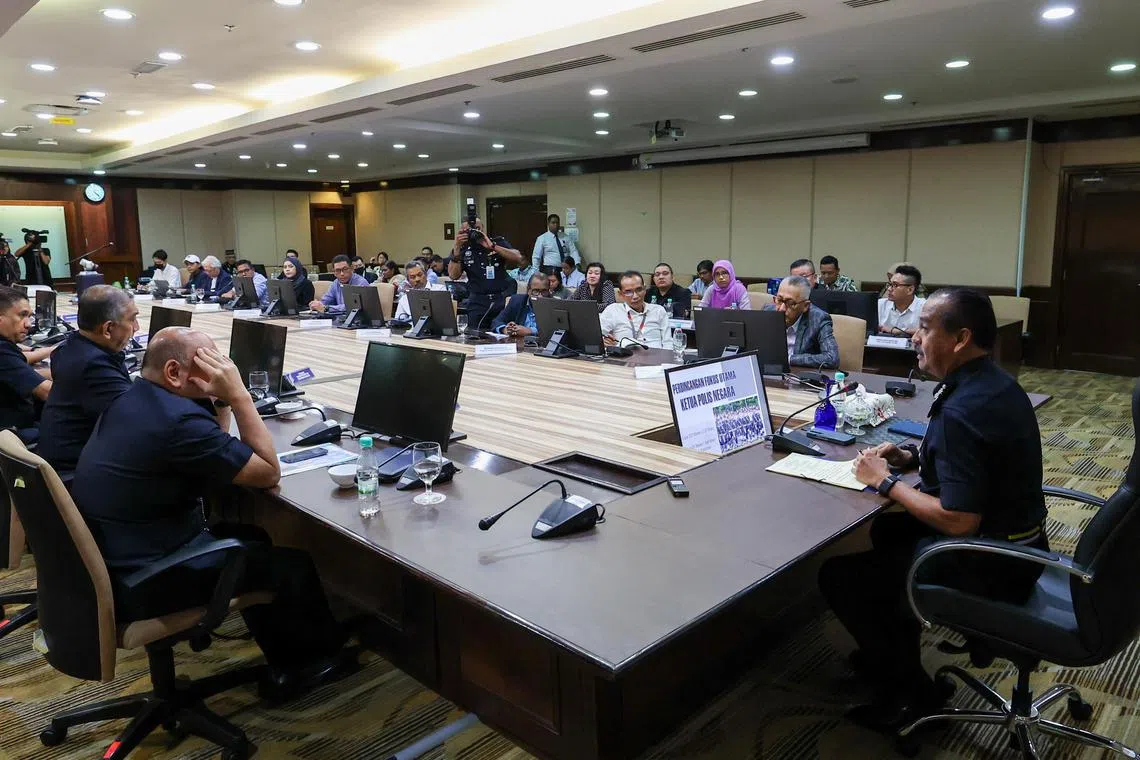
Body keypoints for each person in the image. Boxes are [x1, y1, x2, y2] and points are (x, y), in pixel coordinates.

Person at [819, 288, 1048, 733]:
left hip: (994, 561)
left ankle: (912, 697)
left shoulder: (963, 409)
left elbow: (959, 520)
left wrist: (884, 481)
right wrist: (911, 458)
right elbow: (979, 464)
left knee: (840, 577)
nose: (914, 336)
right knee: (887, 535)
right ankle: (891, 656)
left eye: (925, 327)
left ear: (961, 339)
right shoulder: (991, 383)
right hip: (1025, 543)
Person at [72, 327, 349, 690]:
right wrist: (239, 395)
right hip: (143, 579)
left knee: (250, 537)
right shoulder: (178, 423)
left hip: (115, 559)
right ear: (174, 372)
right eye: (211, 362)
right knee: (291, 565)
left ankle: (286, 649)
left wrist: (220, 401)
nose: (221, 370)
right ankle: (310, 666)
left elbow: (212, 443)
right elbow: (268, 472)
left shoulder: (135, 397)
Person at [37, 286, 136, 473]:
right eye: (132, 319)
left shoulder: (69, 348)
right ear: (108, 328)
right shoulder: (95, 366)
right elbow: (137, 421)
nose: (136, 327)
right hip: (77, 472)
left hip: (62, 459)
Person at [447, 216, 522, 332]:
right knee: (475, 335)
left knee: (504, 334)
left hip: (501, 299)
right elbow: (453, 275)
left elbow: (518, 257)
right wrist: (456, 247)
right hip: (477, 301)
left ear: (483, 228)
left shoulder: (496, 242)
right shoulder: (462, 249)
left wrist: (493, 246)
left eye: (478, 228)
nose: (475, 232)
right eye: (470, 230)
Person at [0, 286, 52, 444]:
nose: (28, 324)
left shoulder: (6, 346)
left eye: (29, 316)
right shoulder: (2, 350)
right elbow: (47, 392)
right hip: (16, 433)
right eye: (22, 315)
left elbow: (20, 372)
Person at [763, 275, 839, 368]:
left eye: (790, 303)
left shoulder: (818, 319)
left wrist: (789, 359)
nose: (782, 308)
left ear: (805, 306)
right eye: (779, 300)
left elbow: (832, 358)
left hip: (799, 374)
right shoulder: (768, 312)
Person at [600, 271, 670, 349]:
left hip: (656, 355)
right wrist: (604, 341)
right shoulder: (613, 310)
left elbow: (668, 343)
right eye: (628, 292)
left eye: (639, 290)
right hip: (624, 354)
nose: (635, 296)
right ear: (620, 294)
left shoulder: (658, 311)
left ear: (645, 289)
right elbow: (597, 336)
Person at [492, 273, 549, 338]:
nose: (540, 296)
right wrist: (506, 329)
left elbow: (554, 330)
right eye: (536, 291)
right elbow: (496, 321)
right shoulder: (516, 301)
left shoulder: (553, 305)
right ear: (528, 290)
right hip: (519, 342)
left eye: (544, 291)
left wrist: (530, 331)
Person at [878, 264, 925, 337]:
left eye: (895, 285)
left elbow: (930, 331)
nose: (889, 289)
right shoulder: (880, 305)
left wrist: (895, 331)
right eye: (889, 284)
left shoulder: (925, 307)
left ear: (910, 290)